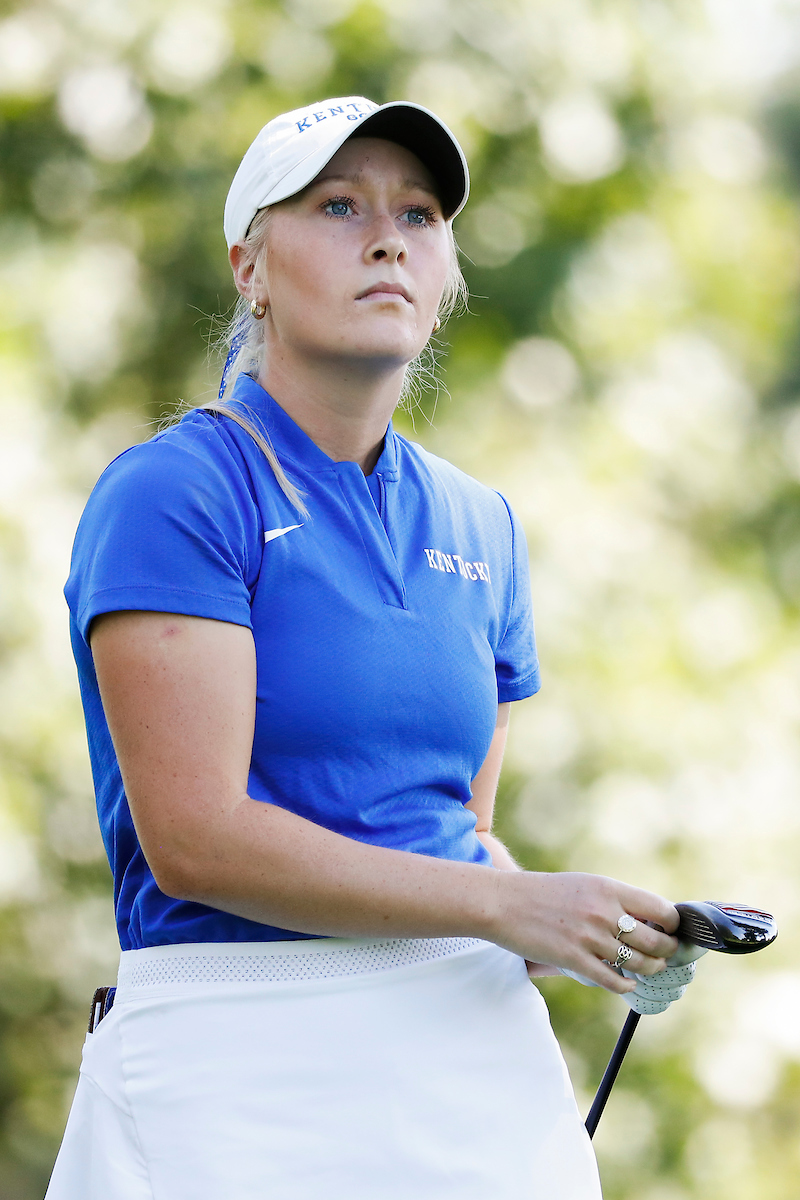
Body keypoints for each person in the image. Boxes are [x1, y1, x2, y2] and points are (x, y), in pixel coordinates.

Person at [46, 97, 688, 1200]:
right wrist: (506, 905)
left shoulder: (482, 525)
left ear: (441, 278)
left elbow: (450, 843)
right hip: (238, 1080)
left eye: (418, 213)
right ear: (249, 266)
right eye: (338, 205)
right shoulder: (176, 492)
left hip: (474, 1075)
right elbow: (196, 842)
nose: (387, 235)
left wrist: (582, 930)